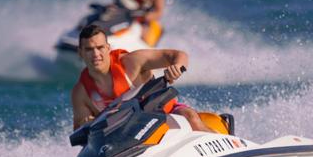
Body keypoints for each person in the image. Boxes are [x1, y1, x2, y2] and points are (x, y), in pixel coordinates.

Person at [71, 24, 211, 132]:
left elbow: (176, 55)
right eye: (89, 50)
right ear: (80, 53)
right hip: (124, 138)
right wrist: (87, 124)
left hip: (165, 114)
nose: (96, 54)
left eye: (100, 48)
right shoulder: (81, 93)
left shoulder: (132, 62)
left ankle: (231, 150)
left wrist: (178, 66)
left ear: (108, 48)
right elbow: (80, 131)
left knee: (191, 118)